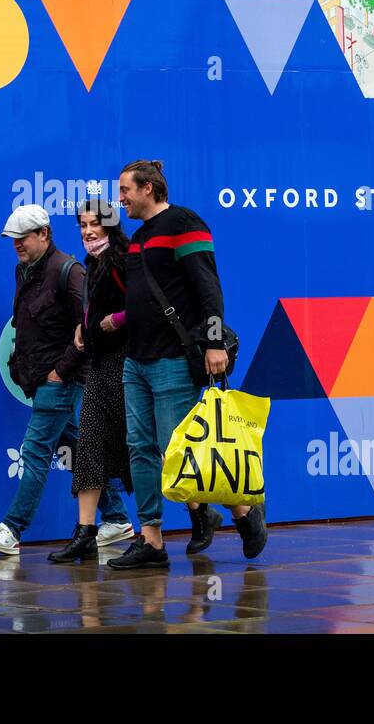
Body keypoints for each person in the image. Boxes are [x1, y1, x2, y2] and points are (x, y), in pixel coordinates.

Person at [106, 160, 267, 570]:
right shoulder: (139, 236)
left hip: (173, 360)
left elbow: (208, 287)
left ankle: (244, 514)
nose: (119, 198)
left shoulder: (185, 222)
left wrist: (214, 342)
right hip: (136, 360)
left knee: (182, 452)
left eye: (125, 190)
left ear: (149, 188)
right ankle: (152, 541)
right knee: (140, 450)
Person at [0, 204, 133, 555]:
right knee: (76, 446)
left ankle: (12, 529)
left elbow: (87, 327)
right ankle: (117, 518)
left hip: (61, 380)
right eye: (13, 239)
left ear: (44, 233)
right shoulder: (24, 270)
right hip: (38, 379)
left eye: (23, 237)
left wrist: (61, 371)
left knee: (35, 453)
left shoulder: (69, 271)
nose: (17, 244)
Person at [48, 199, 136, 563]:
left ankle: (207, 510)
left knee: (149, 448)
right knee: (89, 445)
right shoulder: (92, 263)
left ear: (110, 225)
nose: (87, 231)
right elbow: (92, 308)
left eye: (94, 224)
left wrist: (116, 319)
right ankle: (85, 531)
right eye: (82, 225)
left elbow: (143, 307)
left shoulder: (124, 259)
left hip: (129, 364)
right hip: (99, 363)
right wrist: (82, 327)